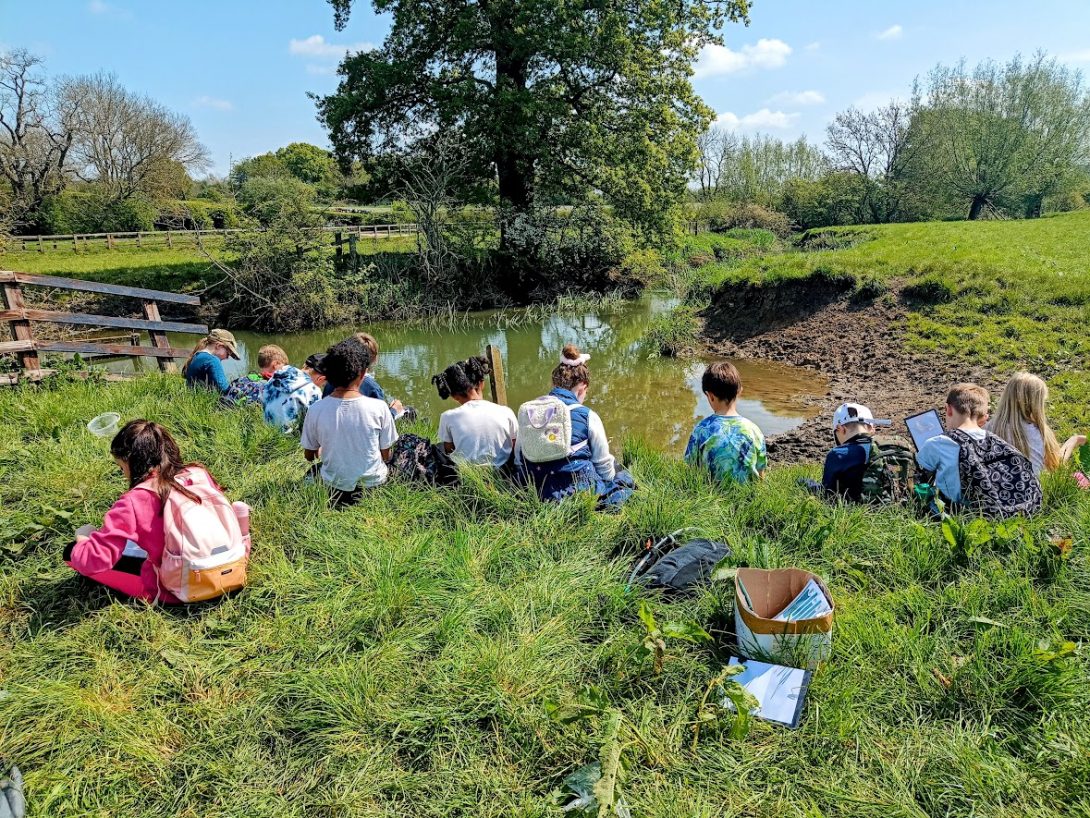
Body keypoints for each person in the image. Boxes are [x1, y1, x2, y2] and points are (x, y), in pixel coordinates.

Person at [62, 420, 239, 603]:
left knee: (71, 552)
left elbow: (92, 560)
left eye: (122, 468)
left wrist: (83, 536)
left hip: (183, 585)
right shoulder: (198, 473)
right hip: (232, 566)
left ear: (131, 463)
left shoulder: (134, 500)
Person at [516, 344, 635, 507]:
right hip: (578, 494)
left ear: (554, 384)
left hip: (536, 492)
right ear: (583, 386)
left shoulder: (529, 412)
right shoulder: (587, 415)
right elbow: (604, 467)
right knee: (623, 476)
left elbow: (518, 460)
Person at [916, 382, 1042, 516]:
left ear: (948, 409)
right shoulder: (996, 441)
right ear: (983, 418)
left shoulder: (938, 443)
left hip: (962, 515)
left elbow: (921, 479)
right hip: (1009, 512)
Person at [301, 338, 398, 507]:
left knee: (314, 471)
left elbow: (309, 456)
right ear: (362, 374)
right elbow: (386, 455)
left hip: (334, 488)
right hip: (372, 487)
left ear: (328, 376)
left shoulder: (315, 409)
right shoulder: (380, 407)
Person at [988, 372, 1086, 476]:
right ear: (1036, 404)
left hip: (991, 490)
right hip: (1030, 491)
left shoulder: (986, 429)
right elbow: (1057, 464)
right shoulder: (1038, 432)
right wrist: (1075, 439)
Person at [685, 361, 767, 486]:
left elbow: (691, 468)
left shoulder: (701, 429)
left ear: (710, 396)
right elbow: (761, 471)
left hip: (709, 498)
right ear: (739, 392)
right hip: (747, 499)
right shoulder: (753, 429)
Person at [433, 356, 518, 468]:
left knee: (439, 447)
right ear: (481, 383)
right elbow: (516, 447)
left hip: (467, 475)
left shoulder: (447, 417)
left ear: (453, 396)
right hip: (504, 472)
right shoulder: (506, 412)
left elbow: (449, 451)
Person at [258, 345, 322, 433]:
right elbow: (315, 424)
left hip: (268, 437)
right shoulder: (312, 389)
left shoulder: (270, 382)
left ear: (275, 364)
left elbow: (263, 404)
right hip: (295, 442)